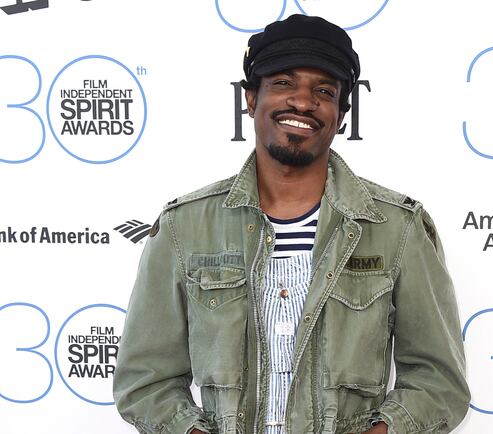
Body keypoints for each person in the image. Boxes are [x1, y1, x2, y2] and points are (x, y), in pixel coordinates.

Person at [113, 14, 470, 434]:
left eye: (324, 91)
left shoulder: (397, 227)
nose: (303, 101)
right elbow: (145, 381)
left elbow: (439, 381)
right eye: (284, 83)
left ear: (340, 115)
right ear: (250, 98)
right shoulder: (183, 227)